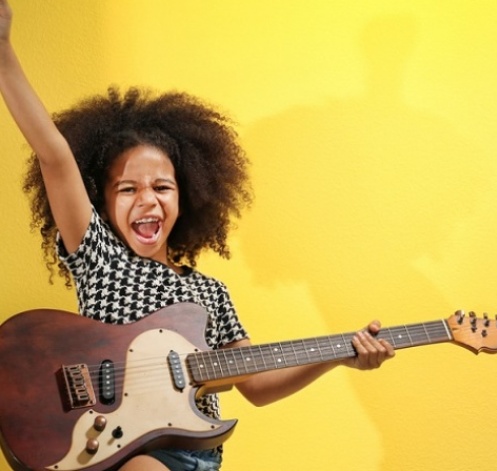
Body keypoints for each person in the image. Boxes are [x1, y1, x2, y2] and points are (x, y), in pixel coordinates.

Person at [0, 1, 395, 470]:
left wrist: (339, 355)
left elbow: (257, 387)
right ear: (103, 204)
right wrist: (3, 50)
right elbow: (54, 156)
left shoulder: (209, 294)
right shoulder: (101, 259)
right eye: (128, 189)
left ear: (186, 198)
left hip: (189, 457)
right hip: (107, 444)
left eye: (162, 187)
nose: (147, 200)